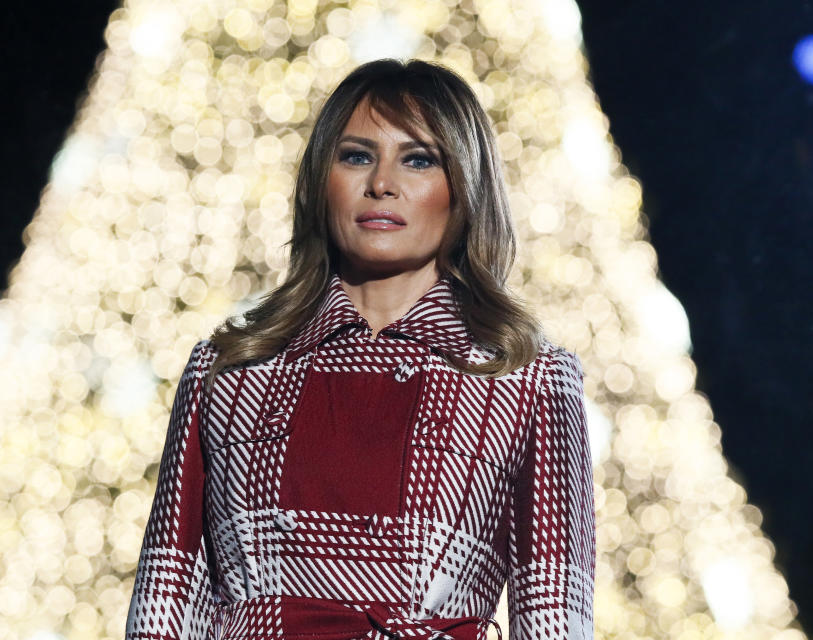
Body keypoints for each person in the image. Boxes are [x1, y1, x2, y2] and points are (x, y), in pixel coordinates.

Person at [125, 58, 595, 640]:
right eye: (356, 156)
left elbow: (553, 613)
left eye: (418, 159)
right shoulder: (229, 369)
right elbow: (165, 600)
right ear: (323, 179)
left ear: (465, 187)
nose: (381, 184)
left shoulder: (527, 378)